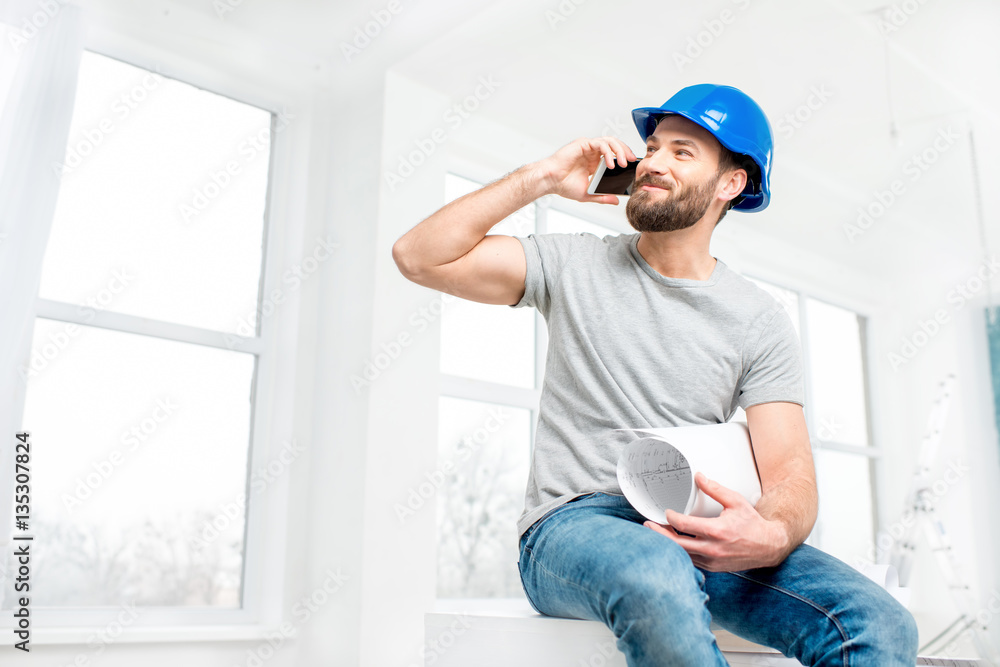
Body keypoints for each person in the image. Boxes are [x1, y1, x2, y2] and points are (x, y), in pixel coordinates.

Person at [392, 83, 919, 666]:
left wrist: (766, 533)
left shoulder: (758, 319)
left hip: (693, 526)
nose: (654, 162)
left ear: (730, 184)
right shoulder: (573, 264)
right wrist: (540, 176)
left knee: (878, 622)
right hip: (571, 526)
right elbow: (419, 256)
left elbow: (791, 473)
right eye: (654, 147)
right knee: (656, 568)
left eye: (682, 152)